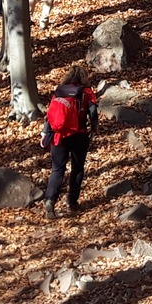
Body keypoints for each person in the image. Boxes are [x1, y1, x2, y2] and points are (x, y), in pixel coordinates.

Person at [41, 65, 97, 217]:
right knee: (77, 169)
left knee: (57, 169)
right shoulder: (87, 92)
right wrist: (94, 128)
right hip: (79, 135)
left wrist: (46, 133)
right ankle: (72, 202)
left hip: (59, 136)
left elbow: (50, 115)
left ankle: (50, 200)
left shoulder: (59, 92)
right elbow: (93, 113)